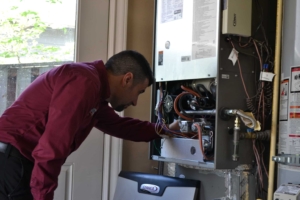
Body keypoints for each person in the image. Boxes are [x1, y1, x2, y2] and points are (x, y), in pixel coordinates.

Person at [0, 50, 178, 200]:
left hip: (15, 159)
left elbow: (121, 126)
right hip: (12, 161)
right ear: (127, 79)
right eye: (138, 92)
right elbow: (52, 147)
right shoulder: (84, 82)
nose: (135, 102)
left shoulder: (94, 93)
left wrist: (165, 129)